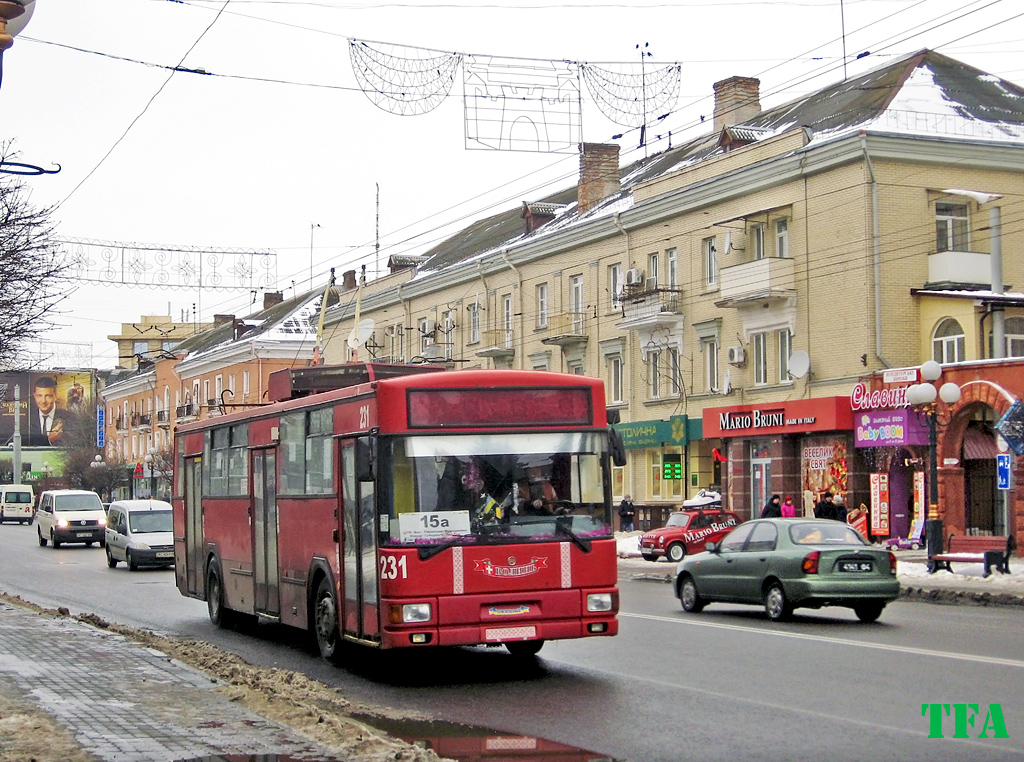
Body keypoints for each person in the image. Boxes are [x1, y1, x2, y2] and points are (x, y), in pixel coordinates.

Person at [27, 376, 72, 446]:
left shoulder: (70, 418)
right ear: (34, 396)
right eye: (39, 396)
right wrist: (49, 440)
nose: (43, 401)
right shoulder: (27, 418)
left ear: (56, 396)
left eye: (48, 396)